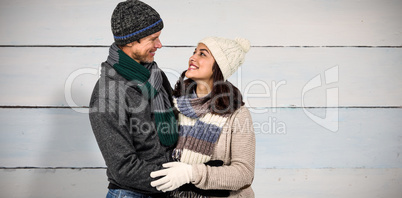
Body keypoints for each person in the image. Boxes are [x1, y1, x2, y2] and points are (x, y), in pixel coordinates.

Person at [88, 0, 178, 197]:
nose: (159, 45)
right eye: (153, 39)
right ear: (130, 41)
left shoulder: (156, 75)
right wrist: (175, 179)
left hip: (167, 190)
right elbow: (123, 168)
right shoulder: (107, 93)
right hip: (132, 193)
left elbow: (178, 125)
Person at [150, 37, 256, 197]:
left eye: (203, 54)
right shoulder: (174, 106)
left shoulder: (237, 114)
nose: (193, 57)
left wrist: (192, 173)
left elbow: (244, 173)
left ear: (219, 66)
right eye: (194, 52)